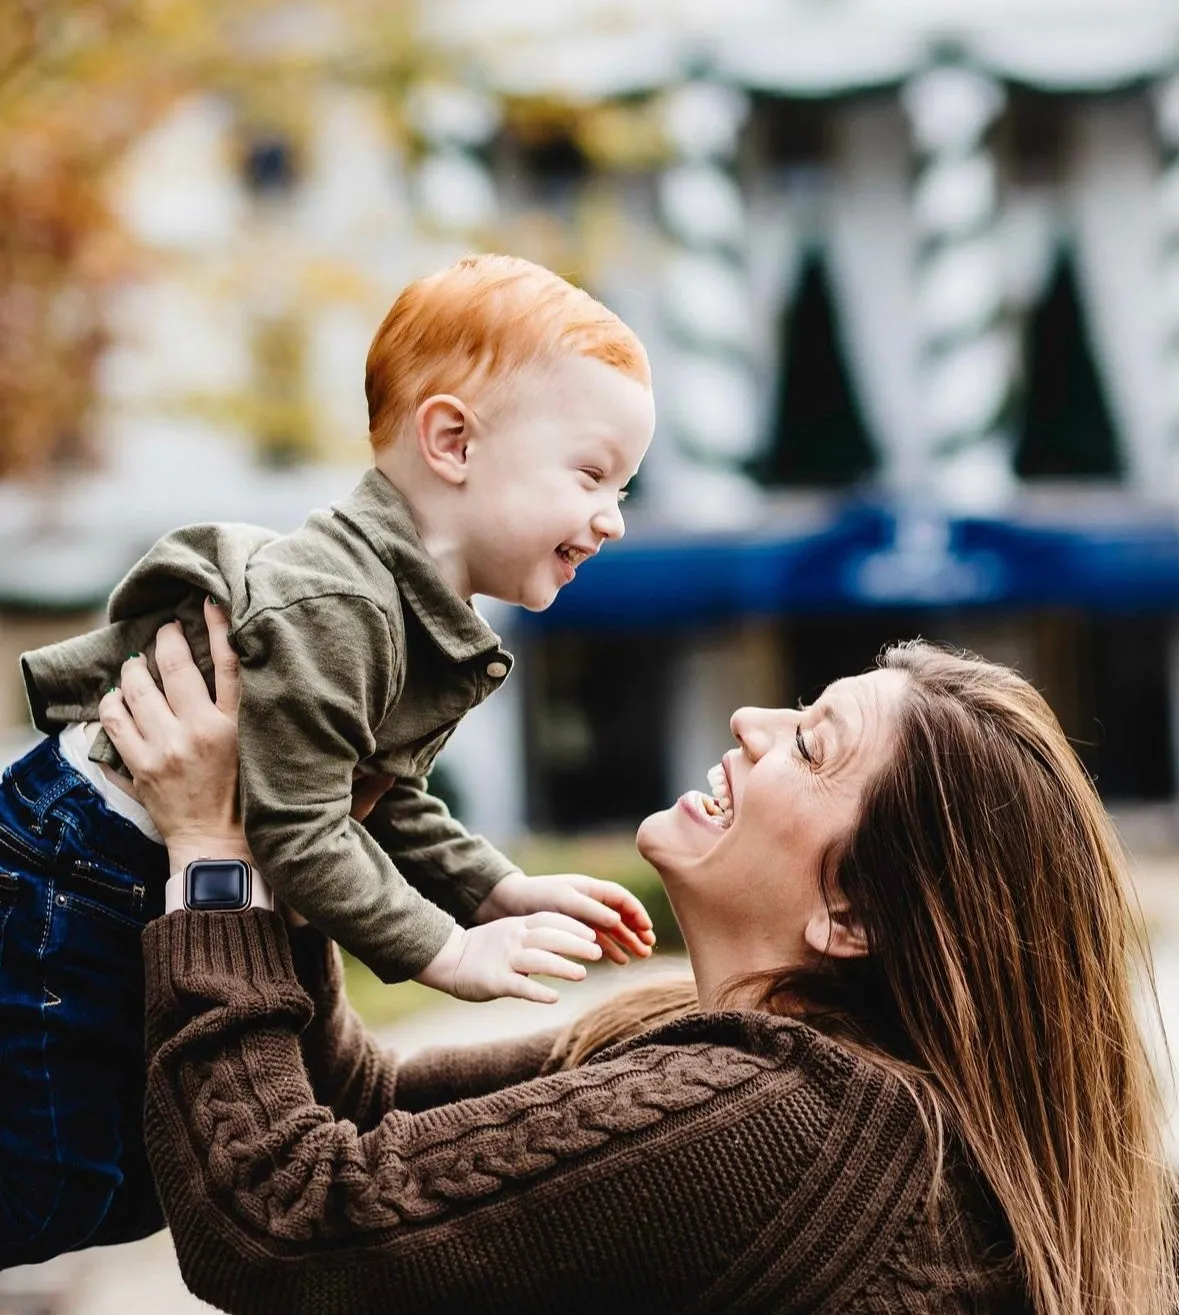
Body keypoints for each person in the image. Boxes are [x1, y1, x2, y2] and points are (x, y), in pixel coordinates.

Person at [102, 611, 1177, 1315]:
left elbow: (280, 1220)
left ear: (850, 912)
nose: (751, 721)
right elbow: (368, 1111)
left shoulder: (771, 1124)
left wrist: (213, 854)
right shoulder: (788, 1083)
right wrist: (302, 853)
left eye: (809, 743)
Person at [0, 254, 656, 1268]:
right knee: (56, 1183)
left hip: (118, 866)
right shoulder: (339, 607)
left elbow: (380, 801)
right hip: (74, 863)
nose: (613, 515)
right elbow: (304, 829)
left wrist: (500, 889)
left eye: (624, 485)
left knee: (138, 1177)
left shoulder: (411, 608)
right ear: (452, 442)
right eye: (591, 473)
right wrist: (443, 948)